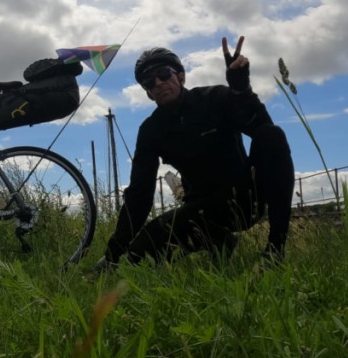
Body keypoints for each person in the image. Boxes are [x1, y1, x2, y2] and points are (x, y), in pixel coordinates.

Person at [92, 36, 295, 272]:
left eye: (164, 74)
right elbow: (139, 194)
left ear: (180, 76)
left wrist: (241, 91)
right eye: (149, 82)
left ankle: (275, 251)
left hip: (246, 198)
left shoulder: (215, 98)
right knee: (138, 255)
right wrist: (113, 254)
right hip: (201, 211)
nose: (158, 83)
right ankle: (220, 241)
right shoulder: (151, 130)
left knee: (273, 135)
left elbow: (262, 130)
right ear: (148, 93)